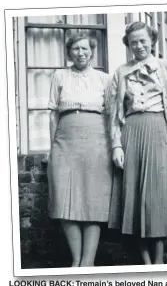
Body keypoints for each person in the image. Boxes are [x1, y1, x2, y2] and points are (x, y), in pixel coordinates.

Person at [107, 21, 167, 265]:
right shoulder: (121, 72)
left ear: (151, 40)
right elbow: (114, 113)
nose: (138, 46)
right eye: (133, 42)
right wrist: (116, 145)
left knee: (157, 197)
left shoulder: (166, 67)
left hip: (158, 131)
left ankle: (159, 262)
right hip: (131, 133)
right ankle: (145, 262)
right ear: (127, 45)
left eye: (142, 41)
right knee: (134, 195)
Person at [47, 33, 112, 267]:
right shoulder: (59, 76)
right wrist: (52, 144)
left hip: (96, 142)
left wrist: (113, 146)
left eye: (85, 49)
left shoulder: (104, 79)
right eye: (75, 49)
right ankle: (76, 260)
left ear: (92, 51)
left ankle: (88, 263)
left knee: (92, 201)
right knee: (65, 198)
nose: (80, 53)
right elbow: (53, 114)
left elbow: (112, 116)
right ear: (69, 52)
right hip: (65, 141)